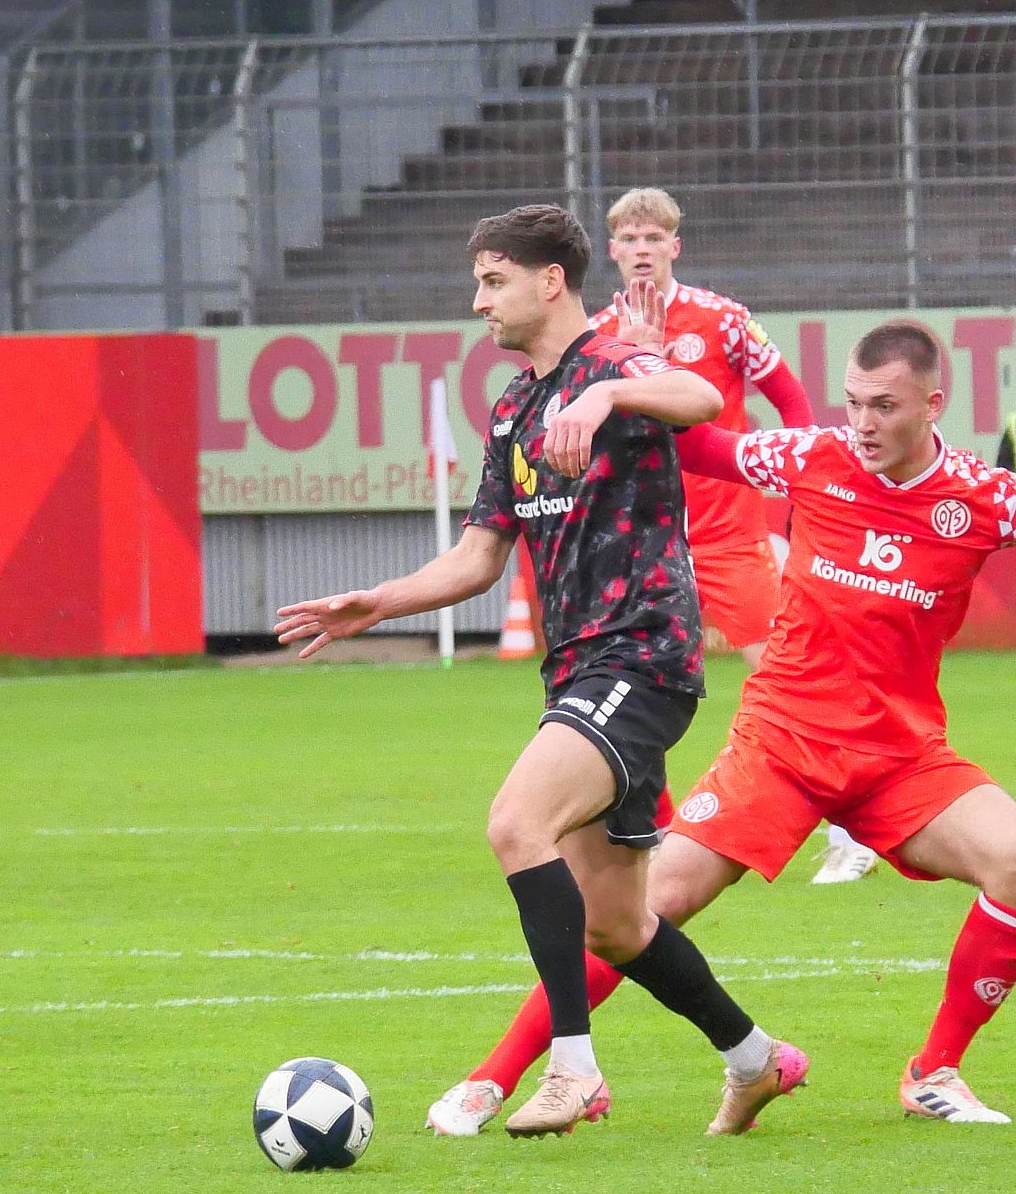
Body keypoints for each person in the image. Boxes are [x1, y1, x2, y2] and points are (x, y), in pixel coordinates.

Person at [426, 321, 1016, 1135]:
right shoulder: (813, 456)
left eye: (884, 405)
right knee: (641, 911)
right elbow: (698, 445)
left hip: (899, 755)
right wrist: (633, 377)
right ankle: (497, 1077)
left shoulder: (984, 496)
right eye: (853, 402)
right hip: (781, 743)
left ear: (932, 404)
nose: (864, 423)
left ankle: (933, 1073)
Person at [277, 205, 806, 1139]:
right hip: (577, 670)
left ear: (549, 281)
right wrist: (376, 603)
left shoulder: (615, 363)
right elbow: (479, 557)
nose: (478, 301)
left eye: (493, 281)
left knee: (515, 823)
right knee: (616, 926)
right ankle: (754, 1058)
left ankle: (574, 1070)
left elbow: (700, 398)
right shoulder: (513, 409)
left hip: (642, 653)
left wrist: (607, 398)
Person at [590, 187, 879, 885]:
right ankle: (652, 832)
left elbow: (790, 398)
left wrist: (804, 478)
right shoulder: (597, 334)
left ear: (675, 246)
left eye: (654, 238)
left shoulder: (724, 319)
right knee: (626, 680)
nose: (642, 250)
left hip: (726, 535)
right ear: (612, 250)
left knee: (786, 676)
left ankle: (852, 830)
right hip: (645, 541)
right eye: (630, 239)